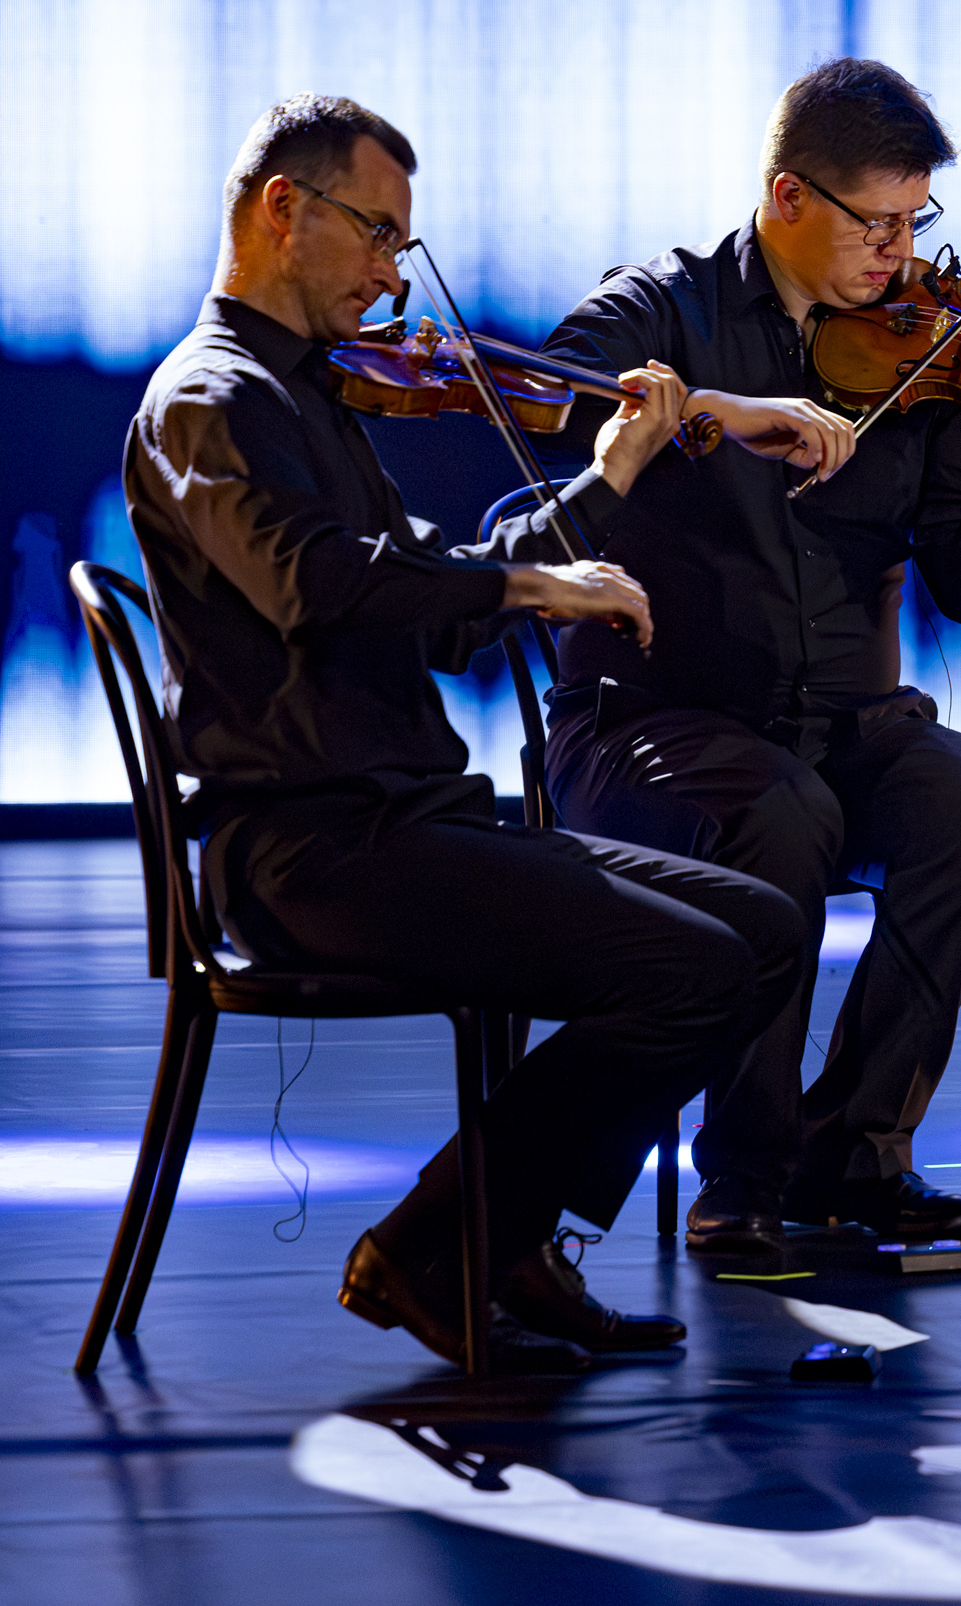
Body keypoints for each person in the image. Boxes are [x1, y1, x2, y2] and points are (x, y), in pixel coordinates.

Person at [126, 95, 810, 1374]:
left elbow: (437, 612)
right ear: (283, 208)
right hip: (311, 850)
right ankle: (442, 1248)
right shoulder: (211, 400)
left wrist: (609, 478)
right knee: (696, 972)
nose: (396, 275)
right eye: (379, 233)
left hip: (406, 824)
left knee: (766, 928)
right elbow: (315, 583)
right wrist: (533, 585)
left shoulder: (310, 398)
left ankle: (502, 1237)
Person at [537, 58, 961, 1254]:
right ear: (788, 196)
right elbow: (559, 396)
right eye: (877, 223)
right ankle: (747, 1175)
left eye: (916, 221)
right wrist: (725, 413)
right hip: (657, 725)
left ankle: (855, 1151)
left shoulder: (933, 353)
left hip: (846, 728)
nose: (900, 254)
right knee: (780, 818)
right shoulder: (667, 300)